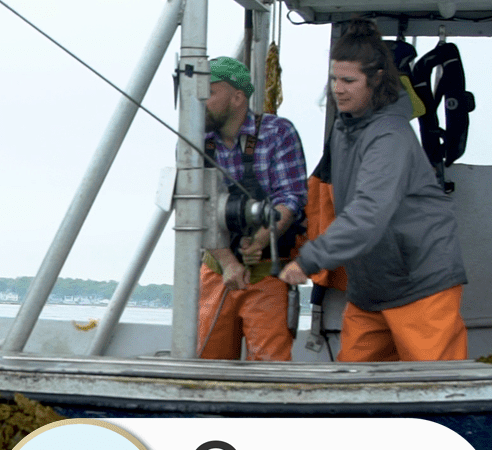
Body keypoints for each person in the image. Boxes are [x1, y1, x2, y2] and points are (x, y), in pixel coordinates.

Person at [278, 19, 468, 362]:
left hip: (420, 283)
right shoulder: (342, 128)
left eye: (349, 80)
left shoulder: (389, 136)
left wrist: (309, 260)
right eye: (334, 79)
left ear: (377, 78)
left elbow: (368, 213)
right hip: (369, 288)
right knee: (351, 392)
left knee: (438, 391)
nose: (338, 88)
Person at [199, 56, 308, 360]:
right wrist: (228, 261)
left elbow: (291, 198)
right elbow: (193, 209)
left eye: (209, 92)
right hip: (216, 270)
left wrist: (259, 241)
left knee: (270, 370)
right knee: (204, 366)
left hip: (268, 273)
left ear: (237, 97)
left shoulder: (278, 133)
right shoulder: (194, 139)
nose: (200, 100)